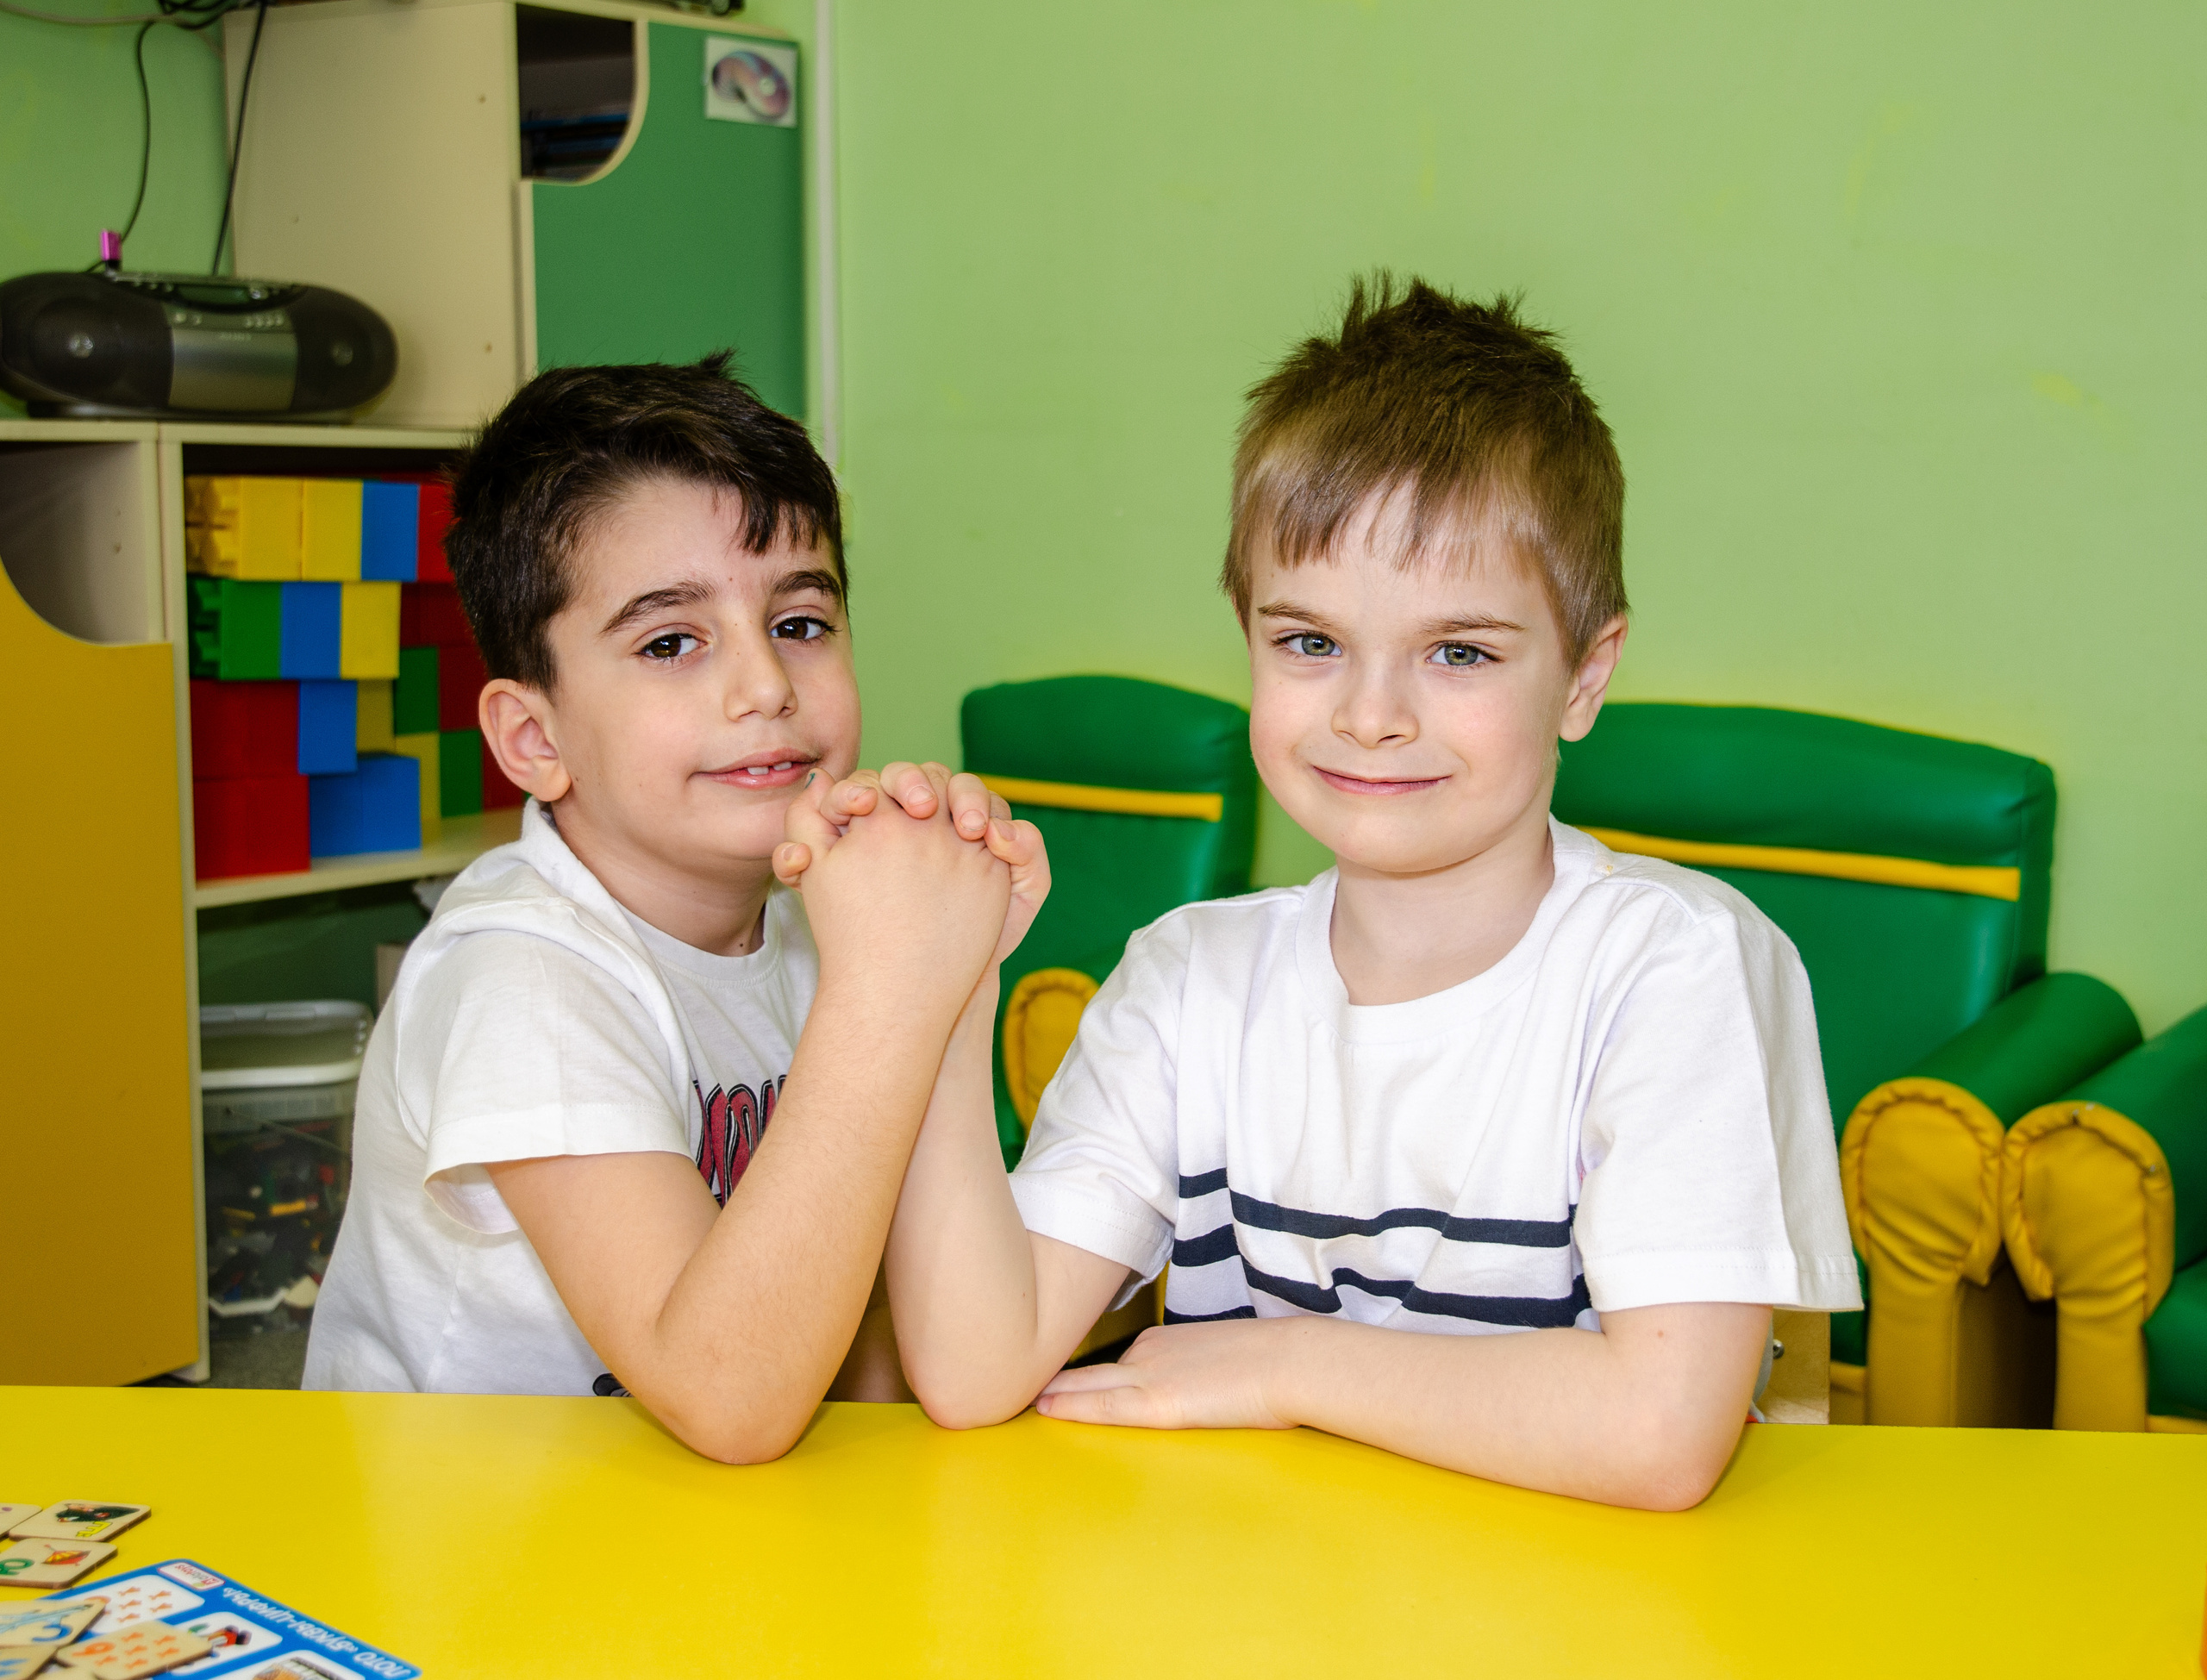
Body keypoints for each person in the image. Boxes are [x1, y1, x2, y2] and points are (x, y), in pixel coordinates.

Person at [867, 278, 1861, 1509]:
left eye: (1459, 653)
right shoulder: (1187, 977)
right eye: (1310, 642)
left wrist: (1284, 1364)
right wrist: (951, 993)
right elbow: (971, 1367)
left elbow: (1660, 1433)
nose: (1372, 714)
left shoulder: (1670, 965)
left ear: (1585, 674)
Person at [304, 355, 1043, 1465]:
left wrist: (953, 987)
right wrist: (894, 990)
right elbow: (732, 1397)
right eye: (669, 642)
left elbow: (884, 1359)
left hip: (701, 1529)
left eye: (800, 621)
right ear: (534, 740)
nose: (765, 687)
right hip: (467, 1574)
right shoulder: (521, 974)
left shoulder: (809, 921)